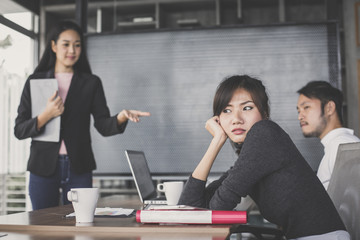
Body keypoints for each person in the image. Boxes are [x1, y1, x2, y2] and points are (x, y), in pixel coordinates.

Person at [178, 75, 349, 239]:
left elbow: (215, 209)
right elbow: (190, 209)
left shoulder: (265, 133)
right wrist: (216, 141)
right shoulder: (252, 155)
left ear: (264, 113)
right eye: (227, 110)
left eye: (247, 108)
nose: (236, 119)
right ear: (218, 119)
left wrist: (217, 140)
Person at [14, 20, 150, 210]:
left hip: (79, 165)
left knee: (81, 222)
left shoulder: (91, 83)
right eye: (66, 44)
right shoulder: (35, 81)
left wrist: (121, 117)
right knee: (42, 225)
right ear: (53, 46)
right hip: (42, 167)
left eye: (77, 45)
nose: (72, 50)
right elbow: (19, 130)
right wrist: (46, 115)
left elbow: (103, 125)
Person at [296, 81, 360, 190]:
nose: (300, 116)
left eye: (306, 107)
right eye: (298, 111)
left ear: (329, 108)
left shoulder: (342, 145)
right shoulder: (336, 145)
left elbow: (353, 203)